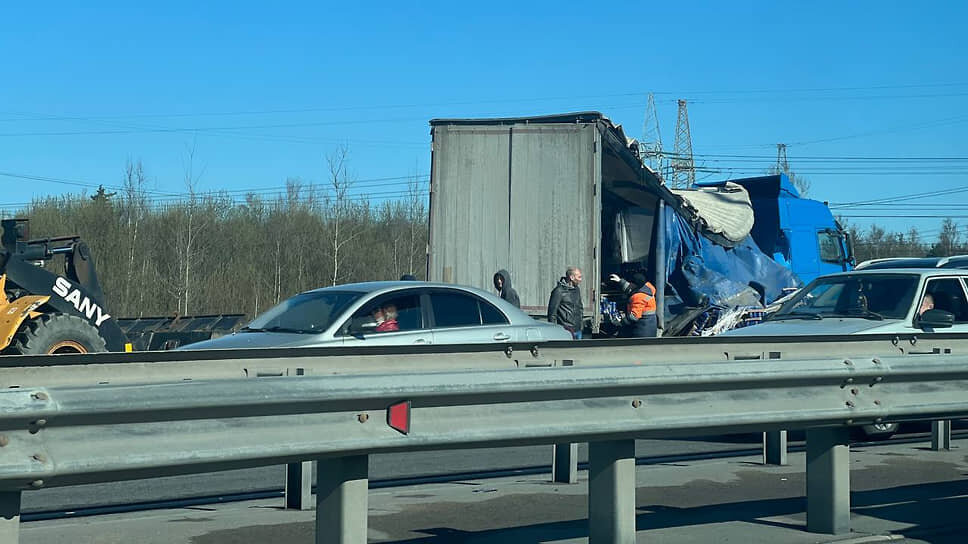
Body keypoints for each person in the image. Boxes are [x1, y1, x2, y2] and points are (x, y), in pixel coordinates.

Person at [609, 271, 658, 338]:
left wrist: (620, 322)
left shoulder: (639, 297)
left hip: (642, 331)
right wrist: (620, 281)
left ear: (635, 285)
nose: (629, 284)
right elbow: (631, 288)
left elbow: (634, 317)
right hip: (649, 327)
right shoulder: (646, 288)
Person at [548, 266, 583, 339]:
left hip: (578, 329)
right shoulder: (558, 291)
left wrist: (581, 324)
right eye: (579, 277)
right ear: (572, 277)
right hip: (565, 329)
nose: (581, 280)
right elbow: (552, 313)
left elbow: (580, 307)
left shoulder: (577, 290)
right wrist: (554, 330)